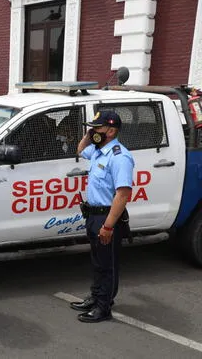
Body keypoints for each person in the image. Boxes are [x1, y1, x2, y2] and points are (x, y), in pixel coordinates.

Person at [70, 110, 134, 323]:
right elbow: (80, 150)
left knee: (107, 264)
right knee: (98, 262)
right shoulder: (99, 150)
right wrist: (89, 136)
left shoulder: (119, 157)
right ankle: (96, 297)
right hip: (93, 214)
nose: (94, 131)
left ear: (112, 130)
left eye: (98, 128)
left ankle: (103, 307)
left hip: (107, 217)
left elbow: (123, 194)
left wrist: (108, 226)